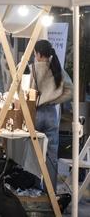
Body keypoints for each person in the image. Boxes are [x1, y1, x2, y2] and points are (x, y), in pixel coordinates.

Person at [30, 39, 73, 191]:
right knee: (51, 155)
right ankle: (50, 191)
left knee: (33, 153)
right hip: (50, 114)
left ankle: (33, 188)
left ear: (38, 53)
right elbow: (70, 91)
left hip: (34, 113)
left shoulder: (31, 68)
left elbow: (22, 93)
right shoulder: (57, 68)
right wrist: (55, 100)